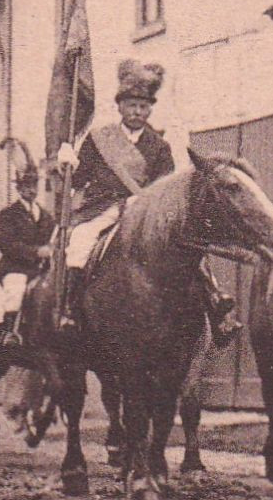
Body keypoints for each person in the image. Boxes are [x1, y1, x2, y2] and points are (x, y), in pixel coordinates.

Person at [54, 59, 240, 346]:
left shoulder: (159, 147)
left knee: (190, 245)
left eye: (143, 107)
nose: (137, 112)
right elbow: (79, 180)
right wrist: (68, 162)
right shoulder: (99, 139)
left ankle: (216, 305)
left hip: (142, 211)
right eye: (132, 105)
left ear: (150, 109)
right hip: (102, 208)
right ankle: (70, 310)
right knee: (79, 243)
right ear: (120, 107)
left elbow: (163, 188)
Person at [0, 165, 53, 349]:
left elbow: (52, 240)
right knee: (16, 289)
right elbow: (7, 245)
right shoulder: (8, 214)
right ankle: (11, 331)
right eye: (26, 186)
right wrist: (36, 252)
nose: (31, 190)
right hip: (16, 267)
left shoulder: (46, 216)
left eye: (34, 185)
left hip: (40, 269)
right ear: (19, 188)